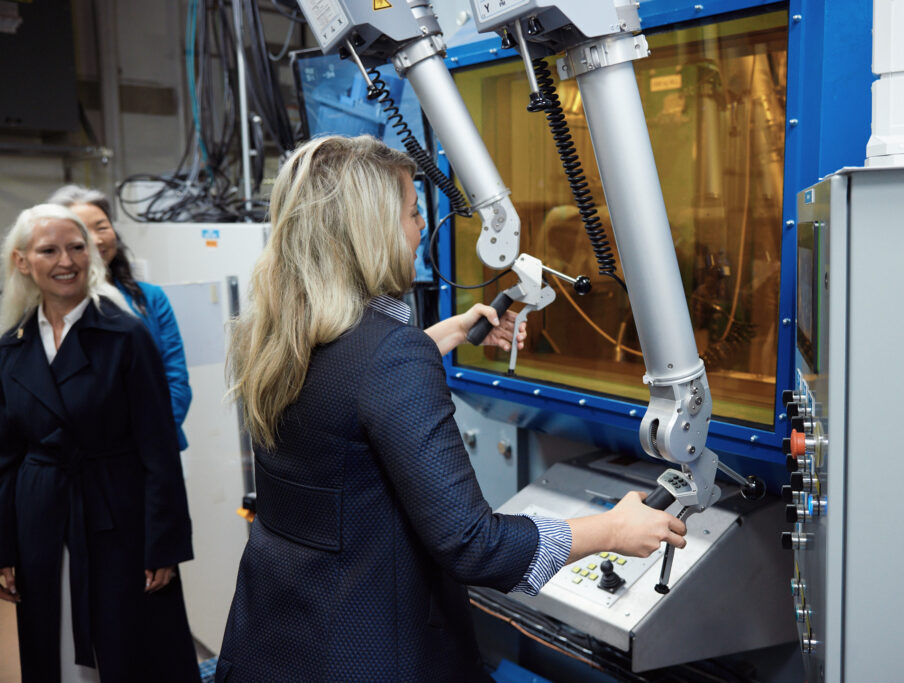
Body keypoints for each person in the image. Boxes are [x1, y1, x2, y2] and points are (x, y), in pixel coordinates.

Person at [215, 135, 687, 681]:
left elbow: (344, 390)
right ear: (370, 231)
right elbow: (473, 544)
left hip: (276, 639)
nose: (421, 228)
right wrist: (611, 529)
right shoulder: (390, 357)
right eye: (413, 213)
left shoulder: (273, 335)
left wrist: (441, 336)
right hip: (367, 656)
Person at [0, 204, 200, 682]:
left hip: (118, 514)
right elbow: (4, 459)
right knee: (55, 643)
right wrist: (4, 546)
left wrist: (163, 546)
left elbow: (158, 448)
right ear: (23, 261)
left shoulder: (126, 334)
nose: (66, 260)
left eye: (76, 248)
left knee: (129, 647)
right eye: (49, 250)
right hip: (41, 516)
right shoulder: (13, 346)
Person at [48, 185, 193, 451]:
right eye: (81, 230)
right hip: (80, 461)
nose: (96, 240)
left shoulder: (150, 298)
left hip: (154, 450)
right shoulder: (50, 308)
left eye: (102, 227)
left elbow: (176, 381)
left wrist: (150, 441)